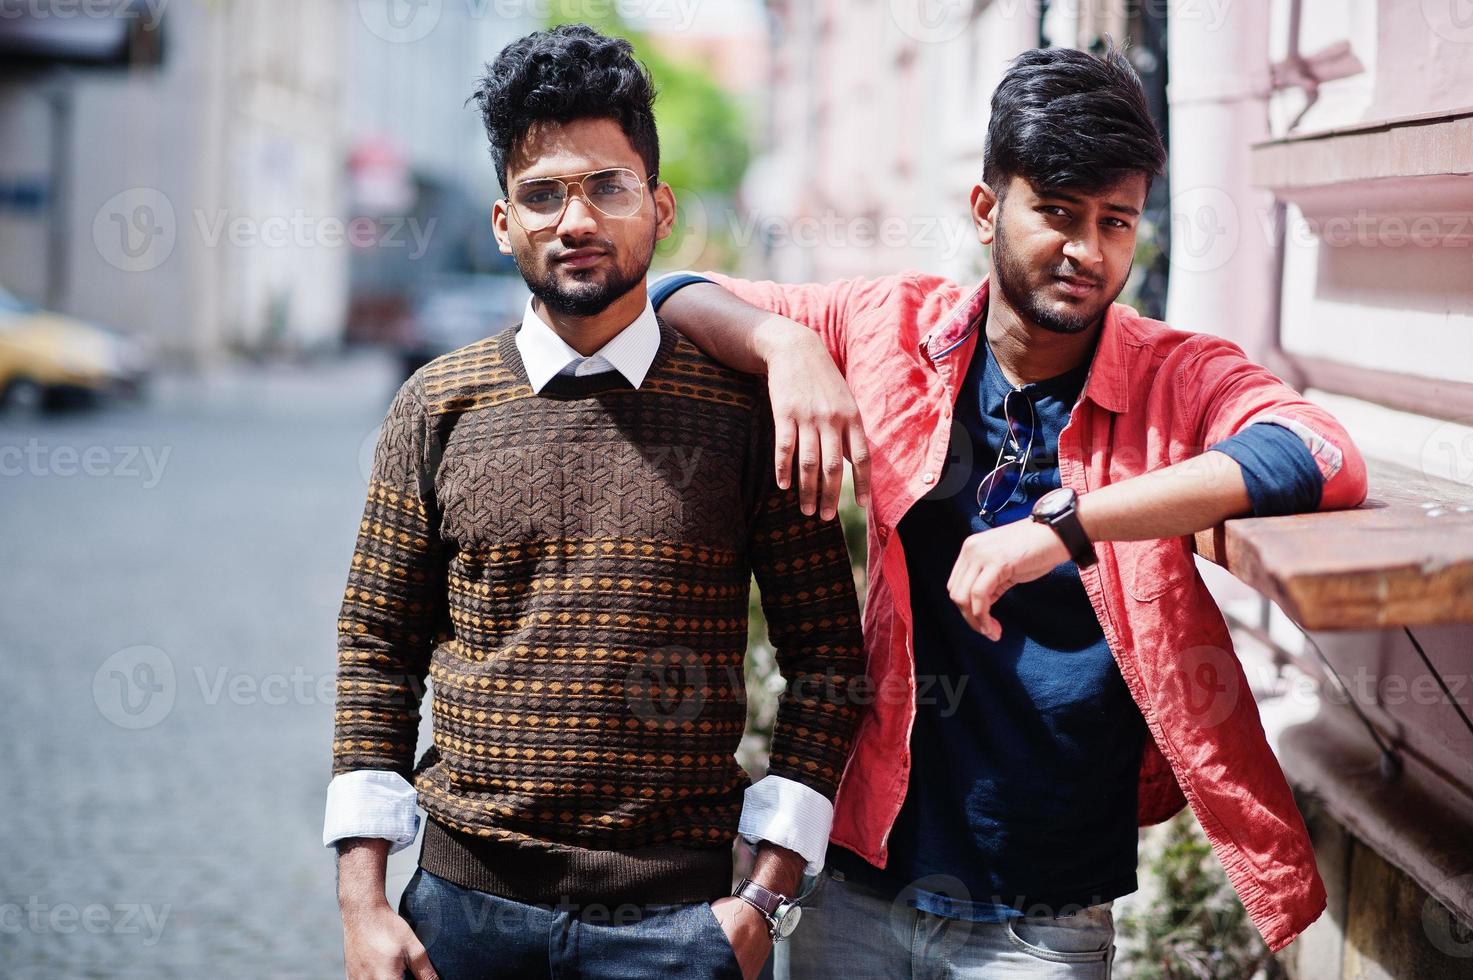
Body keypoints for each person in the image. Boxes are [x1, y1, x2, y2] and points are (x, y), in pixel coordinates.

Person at [650, 45, 1367, 979]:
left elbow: (1319, 453)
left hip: (1044, 917)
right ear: (986, 208)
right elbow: (673, 297)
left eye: (1116, 223)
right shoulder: (892, 328)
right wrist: (786, 345)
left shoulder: (1172, 376)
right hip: (858, 880)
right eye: (1057, 214)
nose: (1086, 252)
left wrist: (1063, 529)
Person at [323, 25, 865, 980]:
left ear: (657, 206)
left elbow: (826, 656)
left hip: (679, 925)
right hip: (462, 914)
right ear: (503, 222)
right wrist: (363, 902)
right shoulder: (435, 406)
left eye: (606, 186)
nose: (574, 219)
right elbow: (376, 646)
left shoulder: (747, 414)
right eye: (542, 193)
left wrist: (762, 901)